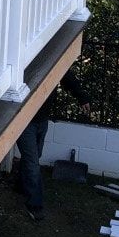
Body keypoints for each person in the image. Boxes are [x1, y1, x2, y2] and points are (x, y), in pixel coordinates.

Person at [15, 70, 89, 220]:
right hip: (24, 121)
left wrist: (82, 98)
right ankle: (34, 206)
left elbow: (67, 76)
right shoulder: (27, 61)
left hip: (42, 120)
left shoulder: (54, 60)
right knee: (32, 162)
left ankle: (21, 186)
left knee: (35, 155)